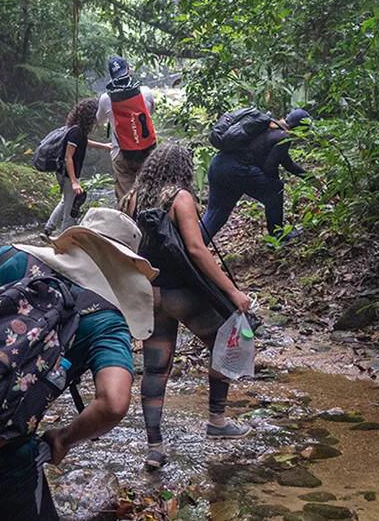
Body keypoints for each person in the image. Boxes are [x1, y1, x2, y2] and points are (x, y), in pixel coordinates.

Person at [0, 208, 158, 520]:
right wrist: (64, 438)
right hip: (1, 459)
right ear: (125, 269)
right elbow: (114, 402)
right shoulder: (106, 320)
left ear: (77, 240)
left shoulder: (6, 259)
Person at [121, 142, 253, 472]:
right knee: (224, 341)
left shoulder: (131, 199)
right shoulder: (180, 199)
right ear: (183, 169)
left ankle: (154, 448)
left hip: (149, 295)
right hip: (182, 294)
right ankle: (217, 420)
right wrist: (232, 292)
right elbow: (196, 250)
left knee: (155, 368)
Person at [201, 108, 311, 242]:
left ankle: (189, 249)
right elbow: (270, 168)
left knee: (217, 212)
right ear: (299, 129)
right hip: (237, 170)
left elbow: (287, 163)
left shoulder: (266, 125)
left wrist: (310, 178)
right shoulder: (283, 137)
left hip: (218, 165)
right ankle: (278, 236)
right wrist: (274, 183)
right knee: (275, 191)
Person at [43, 98, 110, 236]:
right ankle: (66, 237)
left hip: (64, 172)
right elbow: (68, 157)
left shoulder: (76, 131)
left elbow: (85, 142)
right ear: (90, 116)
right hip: (68, 173)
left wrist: (104, 146)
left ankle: (48, 229)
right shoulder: (76, 132)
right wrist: (74, 181)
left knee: (65, 200)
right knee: (70, 208)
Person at [96, 57, 158, 204]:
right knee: (150, 189)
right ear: (128, 69)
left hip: (121, 152)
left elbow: (100, 121)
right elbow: (151, 113)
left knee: (126, 196)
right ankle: (151, 220)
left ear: (112, 76)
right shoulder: (145, 92)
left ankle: (129, 222)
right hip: (148, 150)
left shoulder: (106, 99)